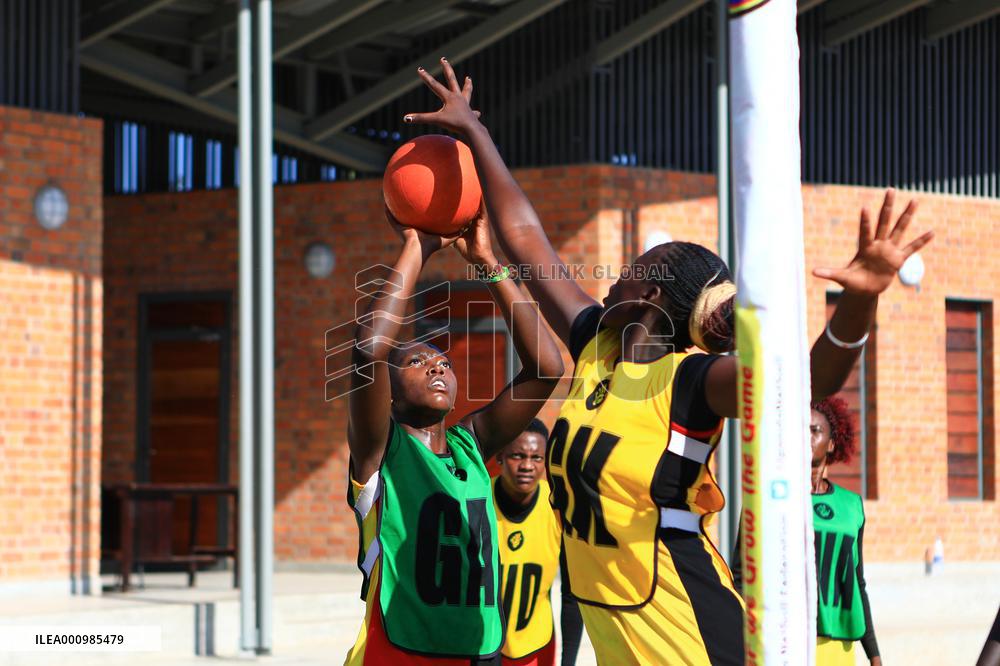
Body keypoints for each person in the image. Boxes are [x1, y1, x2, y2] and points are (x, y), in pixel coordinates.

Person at [403, 58, 933, 665]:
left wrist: (858, 302)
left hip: (687, 628)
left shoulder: (690, 381)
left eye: (634, 265)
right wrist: (476, 132)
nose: (617, 272)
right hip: (617, 632)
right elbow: (527, 238)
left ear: (650, 294)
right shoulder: (596, 347)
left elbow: (801, 385)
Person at [343, 202, 565, 665]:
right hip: (400, 650)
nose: (437, 366)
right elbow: (368, 351)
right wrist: (416, 246)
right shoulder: (381, 453)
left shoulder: (472, 445)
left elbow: (547, 369)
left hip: (480, 653)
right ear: (389, 395)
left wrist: (487, 263)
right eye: (417, 362)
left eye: (443, 362)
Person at [492, 419, 583, 666]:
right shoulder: (478, 500)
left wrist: (568, 661)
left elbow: (572, 593)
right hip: (480, 645)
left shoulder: (558, 506)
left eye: (537, 458)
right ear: (500, 456)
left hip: (535, 646)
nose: (527, 466)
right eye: (518, 456)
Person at [809, 396, 881, 665]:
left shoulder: (851, 506)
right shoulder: (775, 501)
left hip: (840, 647)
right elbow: (742, 576)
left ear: (831, 444)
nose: (806, 438)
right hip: (790, 639)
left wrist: (874, 655)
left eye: (815, 431)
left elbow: (857, 580)